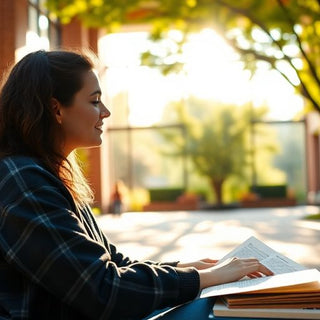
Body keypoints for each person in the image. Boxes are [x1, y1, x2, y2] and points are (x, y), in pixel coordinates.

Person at [0, 49, 273, 320]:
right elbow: (104, 289)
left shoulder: (48, 174)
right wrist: (202, 278)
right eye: (95, 101)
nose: (105, 112)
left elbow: (114, 264)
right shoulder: (25, 182)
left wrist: (189, 268)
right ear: (56, 109)